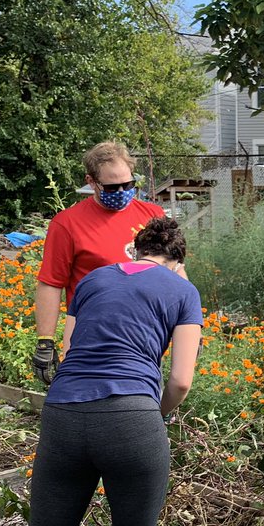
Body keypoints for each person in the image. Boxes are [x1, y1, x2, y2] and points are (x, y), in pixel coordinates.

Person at [0, 218, 201, 526]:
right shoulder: (183, 291)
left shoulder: (94, 280)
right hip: (131, 418)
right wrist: (151, 415)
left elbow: (70, 347)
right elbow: (180, 380)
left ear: (134, 251)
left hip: (64, 414)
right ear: (178, 261)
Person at [32, 141, 165, 385]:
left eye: (128, 184)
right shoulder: (67, 224)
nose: (122, 191)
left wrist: (188, 325)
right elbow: (51, 283)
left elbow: (174, 274)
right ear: (91, 181)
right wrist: (45, 340)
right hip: (91, 338)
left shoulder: (153, 216)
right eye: (112, 187)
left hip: (145, 334)